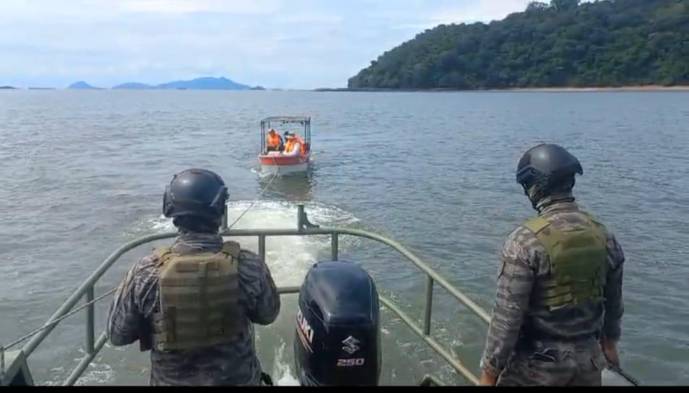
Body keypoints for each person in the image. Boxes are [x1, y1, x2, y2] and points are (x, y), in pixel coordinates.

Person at [106, 168, 281, 386]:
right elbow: (268, 314)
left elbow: (117, 335)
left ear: (171, 212)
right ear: (220, 210)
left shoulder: (146, 272)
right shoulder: (249, 266)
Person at [479, 144, 625, 386]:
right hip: (587, 367)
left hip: (535, 371)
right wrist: (609, 345)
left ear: (534, 187)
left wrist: (489, 374)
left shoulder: (524, 242)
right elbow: (613, 304)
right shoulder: (604, 236)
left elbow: (507, 320)